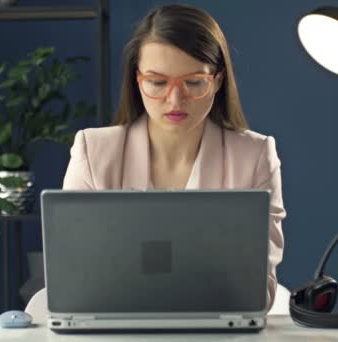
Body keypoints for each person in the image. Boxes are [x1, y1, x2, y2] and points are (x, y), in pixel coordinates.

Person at [63, 4, 285, 312]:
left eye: (194, 82)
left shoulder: (255, 155)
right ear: (136, 80)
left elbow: (260, 290)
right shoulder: (92, 152)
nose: (175, 99)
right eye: (157, 82)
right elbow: (74, 276)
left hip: (217, 327)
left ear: (218, 81)